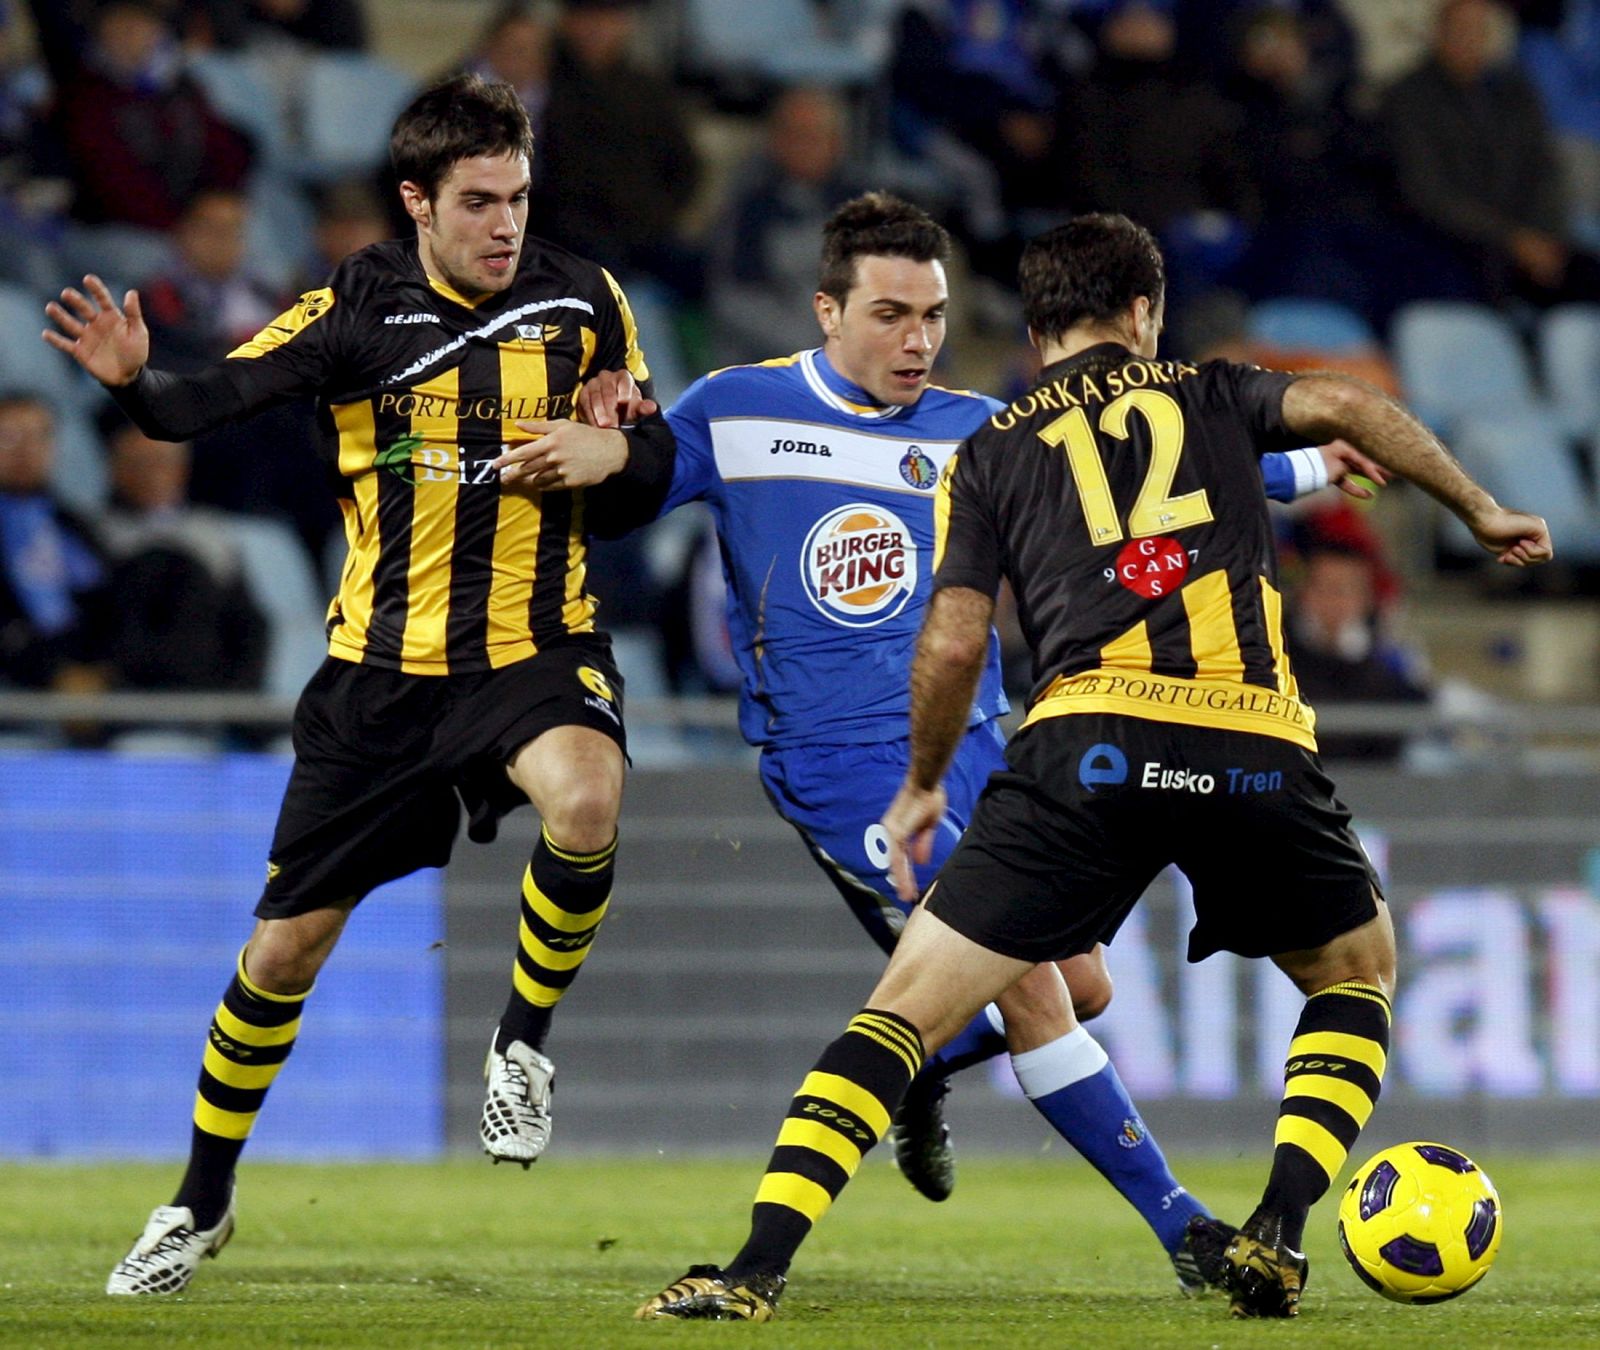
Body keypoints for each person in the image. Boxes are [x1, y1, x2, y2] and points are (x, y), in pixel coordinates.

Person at [633, 212, 1551, 1323]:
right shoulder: (1208, 394)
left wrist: (924, 782)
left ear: (1031, 329)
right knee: (1354, 973)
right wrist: (1481, 507)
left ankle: (752, 1270)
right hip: (1249, 741)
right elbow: (1350, 405)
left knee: (902, 1013)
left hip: (1086, 747)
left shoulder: (997, 445)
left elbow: (956, 639)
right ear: (1144, 313)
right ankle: (1276, 1228)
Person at [42, 72, 674, 1297]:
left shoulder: (586, 300)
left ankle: (520, 1049)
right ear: (416, 202)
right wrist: (129, 379)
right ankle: (200, 1200)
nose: (505, 224)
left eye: (519, 197)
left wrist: (622, 440)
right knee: (282, 957)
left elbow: (642, 476)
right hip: (380, 681)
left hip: (534, 648)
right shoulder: (351, 310)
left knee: (586, 800)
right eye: (480, 201)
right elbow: (192, 405)